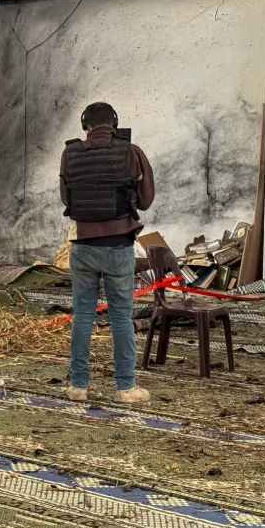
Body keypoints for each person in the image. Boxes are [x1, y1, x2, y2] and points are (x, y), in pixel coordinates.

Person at [59, 102, 154, 404]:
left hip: (82, 246)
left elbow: (66, 198)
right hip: (117, 245)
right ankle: (125, 388)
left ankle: (78, 386)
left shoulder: (69, 153)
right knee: (121, 318)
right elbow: (146, 200)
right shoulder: (131, 152)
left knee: (83, 315)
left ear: (85, 124)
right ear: (114, 123)